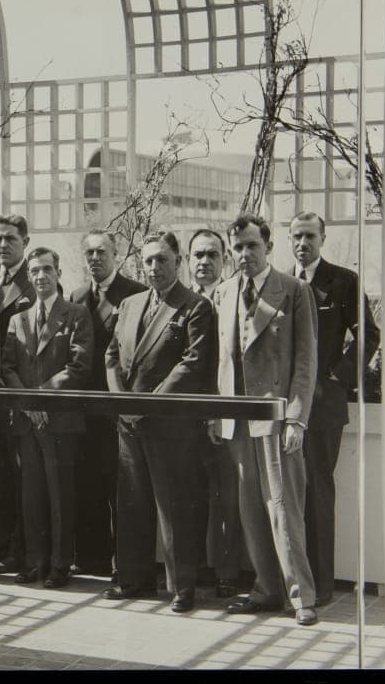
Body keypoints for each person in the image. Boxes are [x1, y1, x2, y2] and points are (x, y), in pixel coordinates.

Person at [212, 214, 319, 626]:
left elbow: (306, 361)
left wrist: (296, 419)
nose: (244, 254)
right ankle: (266, 589)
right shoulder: (223, 293)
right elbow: (221, 361)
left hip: (276, 418)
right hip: (237, 419)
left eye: (252, 246)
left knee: (283, 508)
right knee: (249, 508)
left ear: (268, 247)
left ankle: (301, 597)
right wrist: (217, 414)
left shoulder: (294, 291)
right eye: (237, 247)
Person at [104, 231, 216, 614]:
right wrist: (121, 400)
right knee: (132, 503)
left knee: (174, 506)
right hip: (129, 424)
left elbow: (193, 364)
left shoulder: (195, 306)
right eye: (148, 260)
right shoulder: (130, 303)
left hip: (169, 425)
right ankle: (134, 580)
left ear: (178, 261)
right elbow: (111, 355)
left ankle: (182, 587)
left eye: (162, 260)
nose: (154, 267)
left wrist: (147, 405)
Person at [288, 211, 380, 606]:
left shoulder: (342, 281)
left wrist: (338, 379)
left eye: (309, 236)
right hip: (285, 405)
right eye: (296, 236)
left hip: (323, 408)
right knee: (288, 492)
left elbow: (368, 336)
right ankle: (290, 579)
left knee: (318, 491)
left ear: (323, 238)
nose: (302, 243)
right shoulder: (283, 284)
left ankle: (322, 584)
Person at [1, 247, 93, 589]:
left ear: (58, 274)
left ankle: (60, 564)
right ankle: (34, 561)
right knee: (31, 496)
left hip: (60, 422)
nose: (40, 277)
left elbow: (79, 367)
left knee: (60, 495)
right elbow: (7, 367)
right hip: (27, 420)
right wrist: (28, 402)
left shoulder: (76, 314)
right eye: (35, 271)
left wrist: (41, 396)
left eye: (47, 270)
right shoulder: (18, 319)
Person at [68, 229, 147, 578]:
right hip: (85, 410)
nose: (95, 259)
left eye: (102, 252)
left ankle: (123, 562)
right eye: (89, 254)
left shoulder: (135, 294)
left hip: (118, 405)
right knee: (88, 484)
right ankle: (92, 558)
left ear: (116, 254)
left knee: (122, 488)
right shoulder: (77, 295)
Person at [188, 228, 242, 598]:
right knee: (191, 495)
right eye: (197, 255)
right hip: (185, 419)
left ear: (224, 259)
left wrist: (215, 414)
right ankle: (198, 568)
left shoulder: (231, 299)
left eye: (212, 255)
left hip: (221, 415)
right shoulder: (185, 302)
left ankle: (227, 571)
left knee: (226, 497)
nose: (204, 262)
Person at [0, 214, 35, 575]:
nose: (3, 245)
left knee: (20, 477)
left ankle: (21, 549)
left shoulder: (35, 281)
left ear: (25, 242)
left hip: (18, 392)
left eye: (10, 239)